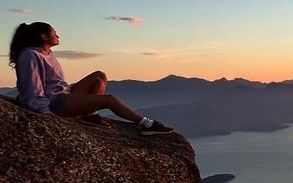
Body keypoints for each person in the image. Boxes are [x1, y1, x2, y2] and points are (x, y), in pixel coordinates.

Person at [9, 22, 174, 134]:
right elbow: (32, 89)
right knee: (109, 100)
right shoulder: (30, 55)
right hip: (54, 102)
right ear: (44, 36)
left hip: (63, 95)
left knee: (99, 76)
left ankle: (89, 113)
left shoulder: (47, 53)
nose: (58, 35)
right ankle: (147, 124)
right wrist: (45, 113)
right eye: (54, 32)